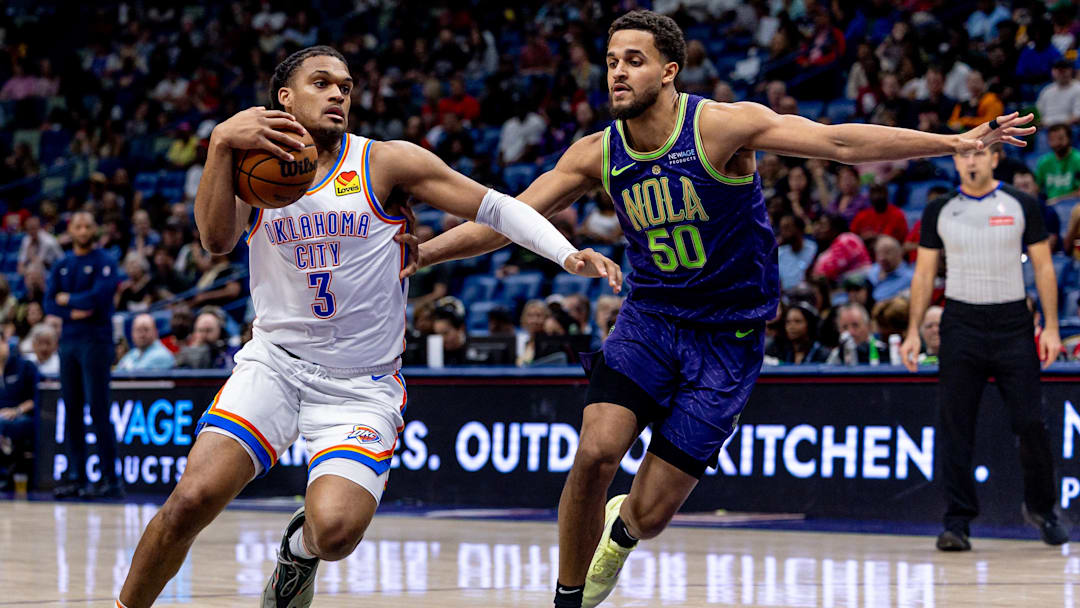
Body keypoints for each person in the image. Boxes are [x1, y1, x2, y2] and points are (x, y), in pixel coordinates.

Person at [410, 11, 1034, 608]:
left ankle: (621, 533)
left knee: (649, 517)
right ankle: (567, 597)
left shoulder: (722, 127)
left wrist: (952, 141)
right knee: (598, 450)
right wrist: (421, 254)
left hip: (729, 338)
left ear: (670, 71)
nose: (618, 73)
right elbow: (508, 218)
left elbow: (839, 141)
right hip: (649, 320)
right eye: (610, 62)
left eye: (634, 61)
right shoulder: (595, 152)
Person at [115, 45, 616, 608]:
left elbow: (495, 209)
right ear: (285, 97)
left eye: (346, 88)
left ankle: (297, 554)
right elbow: (215, 241)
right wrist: (220, 144)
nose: (338, 95)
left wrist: (566, 254)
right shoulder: (250, 164)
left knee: (335, 533)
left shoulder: (384, 162)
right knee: (191, 500)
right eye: (322, 83)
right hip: (275, 365)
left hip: (361, 383)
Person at [900, 144, 1068, 552]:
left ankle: (1043, 508)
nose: (970, 161)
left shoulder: (1022, 203)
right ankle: (957, 522)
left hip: (1013, 322)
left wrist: (1050, 327)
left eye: (978, 154)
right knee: (956, 425)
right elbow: (924, 275)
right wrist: (912, 330)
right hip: (961, 322)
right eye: (963, 155)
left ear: (994, 160)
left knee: (1031, 423)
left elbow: (1044, 266)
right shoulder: (939, 211)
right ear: (955, 162)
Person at [44, 211, 121, 500]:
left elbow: (98, 300)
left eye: (88, 225)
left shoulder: (105, 262)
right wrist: (73, 307)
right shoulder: (62, 264)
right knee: (72, 410)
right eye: (78, 225)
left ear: (95, 230)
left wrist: (70, 300)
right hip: (69, 343)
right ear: (71, 229)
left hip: (97, 342)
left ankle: (110, 480)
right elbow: (50, 302)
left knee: (98, 409)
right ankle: (77, 478)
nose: (83, 229)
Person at [0, 338, 38, 491]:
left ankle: (5, 471)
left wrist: (17, 410)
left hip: (23, 416)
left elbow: (38, 398)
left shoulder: (25, 366)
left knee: (2, 424)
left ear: (5, 343)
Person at [1035, 123, 1080, 203]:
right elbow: (1036, 188)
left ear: (1069, 139)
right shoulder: (1044, 162)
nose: (1056, 143)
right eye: (1052, 140)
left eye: (1060, 139)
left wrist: (1058, 200)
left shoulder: (1078, 160)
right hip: (1050, 207)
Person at [868, 235, 914, 300]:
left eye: (887, 253)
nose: (882, 258)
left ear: (899, 253)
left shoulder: (910, 278)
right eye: (879, 253)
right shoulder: (873, 271)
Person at [1036, 60, 1080, 127]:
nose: (1061, 73)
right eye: (1058, 70)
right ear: (1053, 72)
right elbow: (1038, 112)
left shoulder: (1078, 88)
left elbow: (1077, 116)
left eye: (1064, 70)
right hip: (1046, 127)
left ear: (1071, 71)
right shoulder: (1047, 90)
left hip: (1069, 127)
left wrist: (1059, 126)